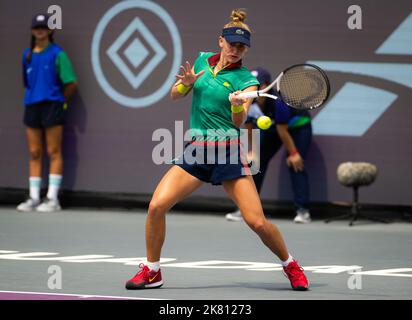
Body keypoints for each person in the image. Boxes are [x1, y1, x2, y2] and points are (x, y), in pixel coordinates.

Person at [125, 9, 309, 291]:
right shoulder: (200, 61)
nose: (236, 51)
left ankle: (290, 264)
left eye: (242, 47)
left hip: (227, 154)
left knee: (257, 223)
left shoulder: (246, 80)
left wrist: (237, 104)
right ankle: (153, 271)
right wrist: (185, 85)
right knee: (156, 207)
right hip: (197, 150)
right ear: (220, 41)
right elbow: (174, 95)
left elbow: (238, 121)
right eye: (232, 44)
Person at [226, 67, 313, 223]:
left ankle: (303, 210)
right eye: (249, 84)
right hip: (275, 127)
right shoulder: (248, 101)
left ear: (266, 85)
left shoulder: (278, 102)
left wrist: (293, 153)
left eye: (257, 85)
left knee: (295, 164)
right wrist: (252, 151)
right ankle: (247, 208)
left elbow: (283, 130)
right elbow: (249, 126)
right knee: (256, 163)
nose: (251, 88)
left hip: (297, 127)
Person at [16, 13, 77, 212]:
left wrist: (61, 102)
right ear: (32, 31)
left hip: (53, 105)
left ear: (50, 31)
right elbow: (28, 83)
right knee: (34, 153)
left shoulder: (58, 54)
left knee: (53, 151)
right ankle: (34, 198)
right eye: (36, 27)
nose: (40, 30)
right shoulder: (27, 55)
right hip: (32, 105)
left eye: (43, 27)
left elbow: (70, 83)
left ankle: (52, 198)